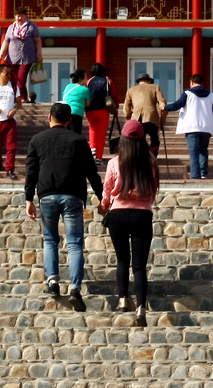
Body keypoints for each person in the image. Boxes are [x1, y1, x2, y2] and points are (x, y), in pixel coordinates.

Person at [24, 102, 103, 311]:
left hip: (47, 195)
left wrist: (28, 198)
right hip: (73, 196)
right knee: (75, 243)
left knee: (50, 240)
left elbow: (31, 170)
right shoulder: (78, 140)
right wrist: (102, 195)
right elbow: (91, 171)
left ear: (49, 117)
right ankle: (75, 288)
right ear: (69, 120)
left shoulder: (37, 140)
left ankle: (52, 282)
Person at [100, 120, 159, 326]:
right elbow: (152, 192)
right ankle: (141, 308)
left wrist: (103, 205)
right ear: (143, 140)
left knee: (122, 259)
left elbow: (107, 190)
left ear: (123, 140)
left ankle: (123, 299)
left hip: (118, 214)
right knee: (140, 266)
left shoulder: (114, 162)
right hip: (142, 214)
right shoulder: (151, 163)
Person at [166, 73, 213, 180]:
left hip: (192, 127)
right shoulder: (211, 95)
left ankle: (195, 176)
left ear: (191, 82)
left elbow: (177, 105)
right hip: (206, 127)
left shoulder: (188, 93)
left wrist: (164, 107)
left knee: (194, 153)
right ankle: (203, 174)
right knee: (203, 150)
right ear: (202, 83)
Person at [122, 72, 166, 159]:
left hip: (136, 119)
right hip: (152, 118)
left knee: (138, 140)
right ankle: (153, 157)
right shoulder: (155, 87)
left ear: (139, 81)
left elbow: (126, 106)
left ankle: (139, 157)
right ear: (149, 81)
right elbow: (163, 104)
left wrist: (128, 118)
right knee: (155, 140)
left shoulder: (131, 90)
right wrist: (162, 121)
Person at [1, 9, 41, 103]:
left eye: (22, 16)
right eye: (18, 16)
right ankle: (21, 98)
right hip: (13, 57)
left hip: (27, 57)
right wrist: (2, 52)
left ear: (26, 16)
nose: (20, 18)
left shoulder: (31, 27)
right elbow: (6, 41)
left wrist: (39, 54)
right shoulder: (11, 27)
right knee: (15, 78)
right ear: (15, 16)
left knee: (21, 78)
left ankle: (22, 98)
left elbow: (38, 41)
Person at [84, 62, 114, 161]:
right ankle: (99, 158)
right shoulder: (108, 80)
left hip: (90, 110)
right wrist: (115, 108)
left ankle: (92, 149)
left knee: (92, 128)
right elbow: (114, 94)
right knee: (101, 134)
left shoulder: (89, 81)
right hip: (103, 109)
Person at [62, 68, 90, 136]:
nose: (87, 78)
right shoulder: (85, 89)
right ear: (80, 79)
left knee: (66, 135)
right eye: (86, 77)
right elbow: (88, 104)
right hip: (76, 113)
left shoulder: (67, 86)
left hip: (65, 112)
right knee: (75, 134)